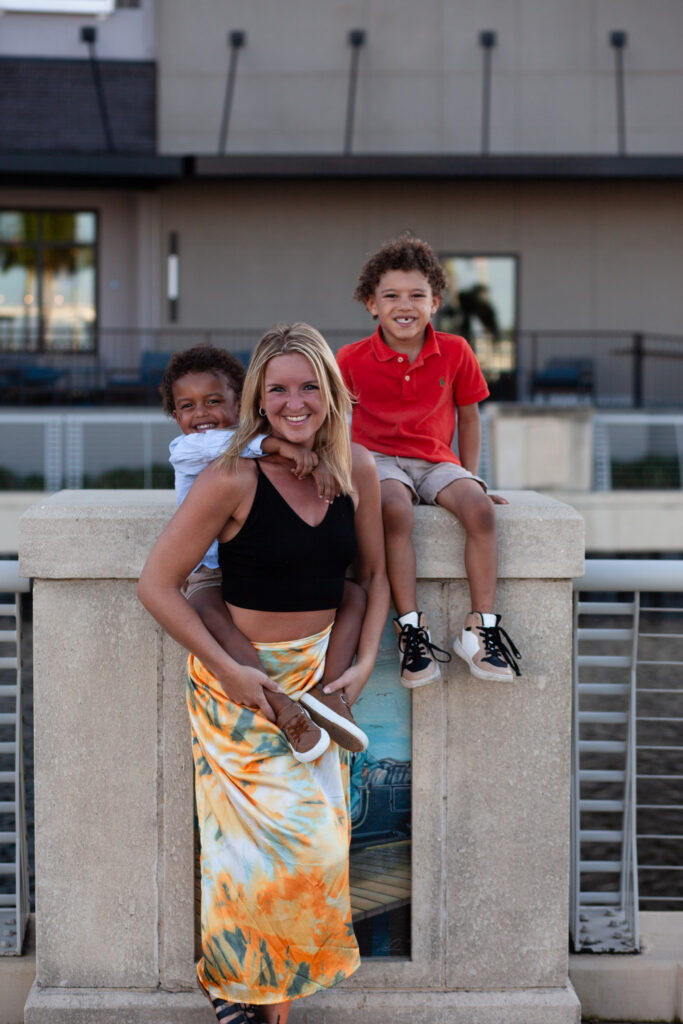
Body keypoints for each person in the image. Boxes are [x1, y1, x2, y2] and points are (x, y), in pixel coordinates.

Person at [138, 323, 389, 1024]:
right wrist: (231, 671)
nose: (294, 401)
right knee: (244, 861)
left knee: (314, 853)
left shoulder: (355, 470)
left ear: (331, 392)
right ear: (258, 398)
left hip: (319, 684)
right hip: (235, 697)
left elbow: (365, 577)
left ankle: (250, 997)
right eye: (277, 388)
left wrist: (363, 661)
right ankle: (251, 1004)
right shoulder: (231, 477)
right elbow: (159, 585)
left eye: (309, 385)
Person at [159, 344, 369, 761]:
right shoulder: (195, 447)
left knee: (354, 596)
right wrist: (287, 448)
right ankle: (283, 709)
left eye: (214, 401)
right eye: (187, 406)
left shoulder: (350, 465)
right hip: (207, 566)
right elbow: (239, 444)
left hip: (252, 584)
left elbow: (371, 572)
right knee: (208, 606)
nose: (200, 414)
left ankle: (328, 695)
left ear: (240, 404)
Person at [337, 234, 521, 687]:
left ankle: (481, 630)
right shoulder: (350, 359)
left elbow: (469, 415)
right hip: (378, 459)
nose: (406, 305)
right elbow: (335, 422)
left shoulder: (456, 351)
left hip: (435, 459)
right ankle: (412, 632)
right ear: (371, 304)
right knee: (394, 511)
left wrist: (472, 475)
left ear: (435, 302)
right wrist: (343, 474)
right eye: (391, 295)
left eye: (417, 295)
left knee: (478, 509)